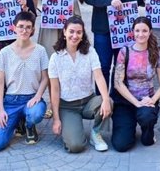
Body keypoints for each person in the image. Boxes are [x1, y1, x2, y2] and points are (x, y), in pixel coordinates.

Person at [48, 17, 112, 153]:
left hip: (88, 101)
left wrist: (105, 100)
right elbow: (54, 90)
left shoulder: (90, 52)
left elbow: (99, 77)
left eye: (79, 32)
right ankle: (73, 129)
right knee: (76, 146)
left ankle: (96, 133)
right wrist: (56, 119)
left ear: (83, 34)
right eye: (71, 31)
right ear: (64, 32)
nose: (75, 36)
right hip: (67, 106)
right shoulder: (55, 58)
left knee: (108, 101)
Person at [0, 11, 49, 151]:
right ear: (14, 27)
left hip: (31, 99)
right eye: (21, 26)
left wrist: (38, 96)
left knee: (35, 113)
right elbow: (0, 82)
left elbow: (45, 78)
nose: (24, 30)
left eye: (28, 27)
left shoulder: (40, 51)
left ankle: (29, 125)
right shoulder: (5, 52)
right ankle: (17, 122)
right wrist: (1, 109)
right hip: (11, 101)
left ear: (33, 30)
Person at [111, 17, 160, 152]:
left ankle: (148, 131)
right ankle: (129, 127)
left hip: (146, 100)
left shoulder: (156, 52)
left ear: (150, 32)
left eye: (144, 31)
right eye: (137, 31)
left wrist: (152, 100)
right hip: (126, 101)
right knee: (121, 145)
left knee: (147, 137)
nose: (140, 34)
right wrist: (136, 103)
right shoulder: (125, 51)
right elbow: (118, 83)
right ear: (132, 32)